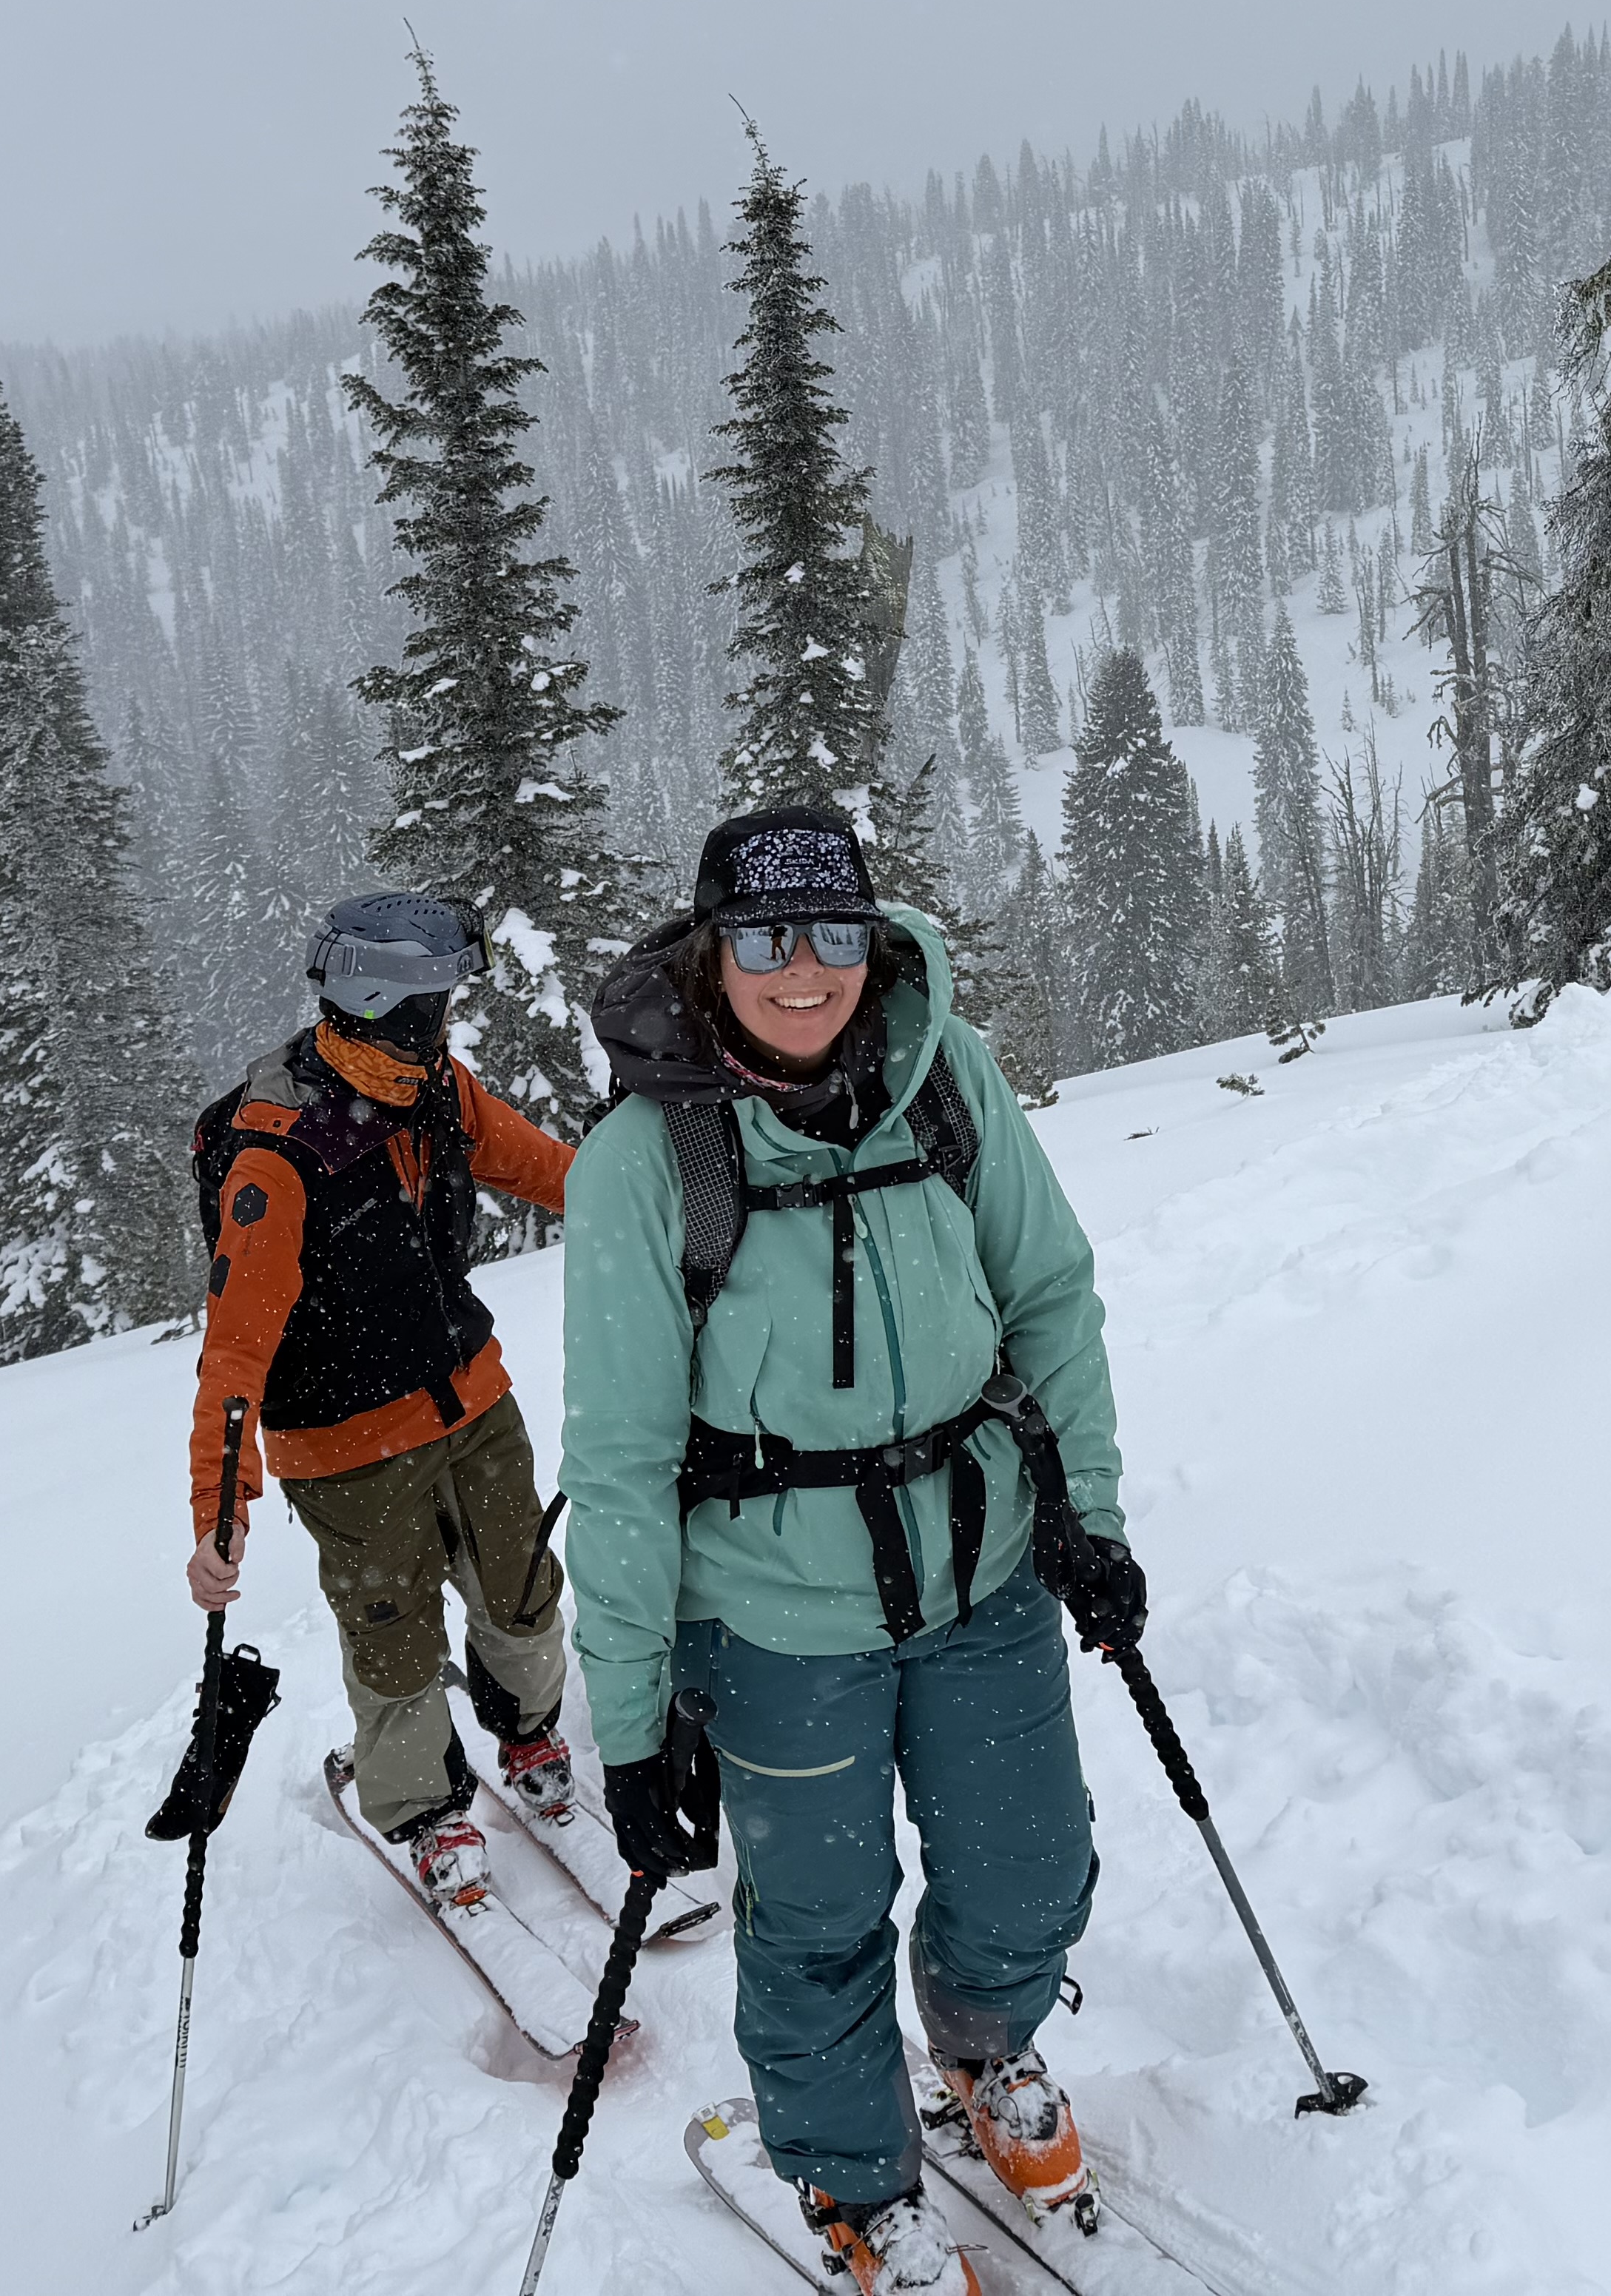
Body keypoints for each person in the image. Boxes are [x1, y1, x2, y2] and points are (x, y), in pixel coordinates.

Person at [564, 807, 1148, 2296]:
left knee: (1032, 1877)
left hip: (982, 1572)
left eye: (835, 933)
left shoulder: (946, 1081)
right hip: (772, 1625)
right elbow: (621, 1466)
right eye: (765, 938)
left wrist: (1090, 1520)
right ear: (712, 957)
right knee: (817, 1929)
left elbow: (1053, 1300)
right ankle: (860, 2184)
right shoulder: (646, 1164)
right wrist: (630, 1733)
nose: (804, 971)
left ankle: (980, 2044)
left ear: (877, 943)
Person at [183, 891, 579, 1905]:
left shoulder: (435, 1089)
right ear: (381, 1003)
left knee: (524, 1589)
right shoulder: (278, 1154)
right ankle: (428, 1815)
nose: (445, 1021)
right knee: (395, 1641)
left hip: (473, 1404)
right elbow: (234, 1354)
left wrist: (657, 1206)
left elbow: (545, 1170)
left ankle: (527, 1737)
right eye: (432, 1003)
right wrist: (219, 1515)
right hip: (349, 1454)